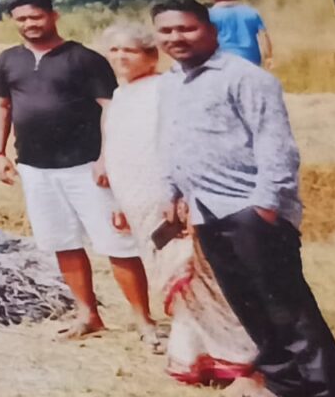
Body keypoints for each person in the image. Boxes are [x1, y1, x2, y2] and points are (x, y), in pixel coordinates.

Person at [153, 0, 335, 397]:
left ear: (212, 31)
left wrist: (267, 205)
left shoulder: (245, 78)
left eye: (186, 28)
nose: (176, 38)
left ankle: (324, 387)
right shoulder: (169, 82)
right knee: (248, 305)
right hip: (206, 209)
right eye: (166, 31)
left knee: (288, 309)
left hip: (250, 210)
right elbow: (170, 140)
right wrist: (171, 189)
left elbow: (276, 146)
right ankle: (285, 383)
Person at [100, 22, 260, 390]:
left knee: (196, 271)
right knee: (165, 272)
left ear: (151, 55)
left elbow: (184, 145)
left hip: (171, 198)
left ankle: (234, 354)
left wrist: (187, 196)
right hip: (135, 198)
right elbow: (115, 148)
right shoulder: (120, 96)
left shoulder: (167, 89)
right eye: (114, 51)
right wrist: (117, 201)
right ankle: (192, 353)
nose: (121, 58)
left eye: (130, 51)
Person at [0, 0, 154, 340]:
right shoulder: (7, 60)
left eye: (36, 17)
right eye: (22, 19)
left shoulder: (85, 59)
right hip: (35, 167)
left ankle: (143, 321)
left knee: (116, 244)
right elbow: (0, 106)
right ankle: (87, 315)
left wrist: (106, 158)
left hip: (87, 166)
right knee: (62, 242)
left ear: (53, 16)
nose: (30, 24)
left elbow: (112, 108)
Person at [207, 0, 273, 68]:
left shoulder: (210, 15)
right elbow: (264, 36)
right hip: (251, 59)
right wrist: (268, 57)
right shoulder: (251, 12)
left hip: (224, 60)